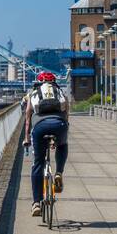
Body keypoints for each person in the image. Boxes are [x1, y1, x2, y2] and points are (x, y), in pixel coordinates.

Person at [22, 71, 69, 217]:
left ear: (39, 82)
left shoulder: (33, 94)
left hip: (40, 128)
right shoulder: (59, 92)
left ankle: (36, 203)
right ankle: (59, 173)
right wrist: (59, 136)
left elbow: (28, 119)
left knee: (38, 164)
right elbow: (67, 116)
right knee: (63, 145)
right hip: (59, 125)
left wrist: (27, 139)